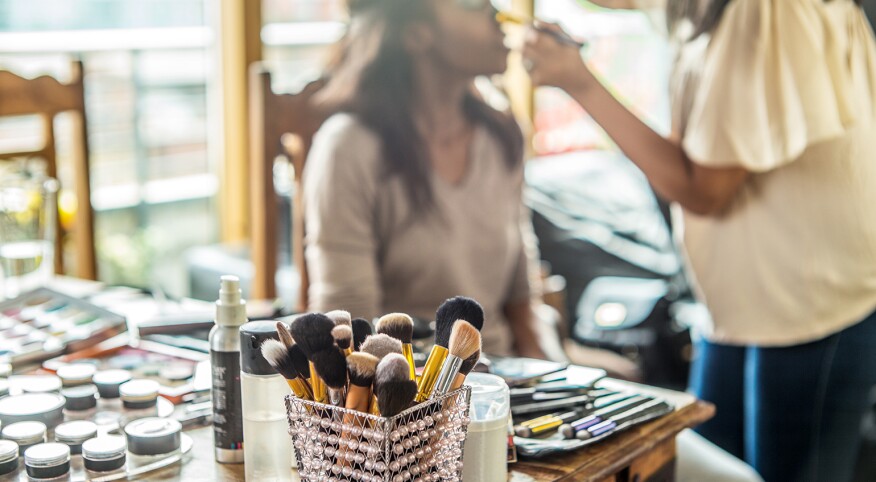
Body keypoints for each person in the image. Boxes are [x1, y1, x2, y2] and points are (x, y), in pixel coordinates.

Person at [522, 0, 876, 480]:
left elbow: (702, 189)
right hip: (737, 307)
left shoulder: (770, 12)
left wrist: (579, 82)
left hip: (807, 308)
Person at [302, 0, 547, 358]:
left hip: (504, 384)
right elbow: (349, 333)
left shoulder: (501, 134)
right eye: (474, 4)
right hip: (404, 393)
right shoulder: (348, 148)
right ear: (417, 35)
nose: (498, 14)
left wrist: (560, 381)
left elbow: (523, 308)